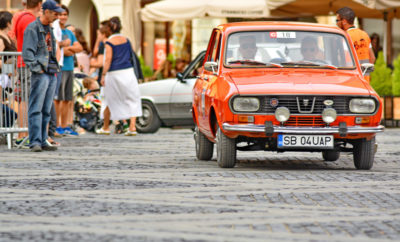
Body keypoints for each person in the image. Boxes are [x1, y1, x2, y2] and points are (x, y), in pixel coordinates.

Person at [22, 0, 64, 152]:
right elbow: (27, 53)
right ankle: (35, 141)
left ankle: (43, 139)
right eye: (54, 13)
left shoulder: (49, 28)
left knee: (46, 109)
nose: (57, 16)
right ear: (46, 11)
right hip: (42, 72)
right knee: (36, 107)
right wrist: (37, 68)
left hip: (51, 71)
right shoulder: (33, 28)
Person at [97, 16, 142, 136]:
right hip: (128, 71)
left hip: (113, 73)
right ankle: (132, 127)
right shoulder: (127, 40)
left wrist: (103, 75)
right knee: (132, 98)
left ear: (108, 29)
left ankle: (106, 127)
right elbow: (131, 55)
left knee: (108, 99)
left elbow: (108, 60)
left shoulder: (109, 42)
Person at [13, 0, 43, 147]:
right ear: (39, 4)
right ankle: (25, 134)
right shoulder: (29, 19)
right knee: (28, 99)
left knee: (24, 99)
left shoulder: (20, 16)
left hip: (23, 62)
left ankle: (23, 134)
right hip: (29, 63)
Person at [55, 4, 82, 136]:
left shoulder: (69, 33)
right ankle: (56, 125)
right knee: (58, 99)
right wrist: (67, 49)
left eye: (65, 14)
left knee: (67, 99)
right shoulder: (55, 30)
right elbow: (60, 50)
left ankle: (64, 125)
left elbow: (79, 48)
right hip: (59, 68)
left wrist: (67, 49)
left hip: (69, 67)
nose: (62, 17)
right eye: (60, 14)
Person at [336, 7, 375, 78]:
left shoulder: (345, 37)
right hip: (364, 81)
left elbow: (341, 60)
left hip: (350, 80)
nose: (336, 23)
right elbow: (372, 58)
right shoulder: (365, 35)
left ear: (344, 21)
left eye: (337, 20)